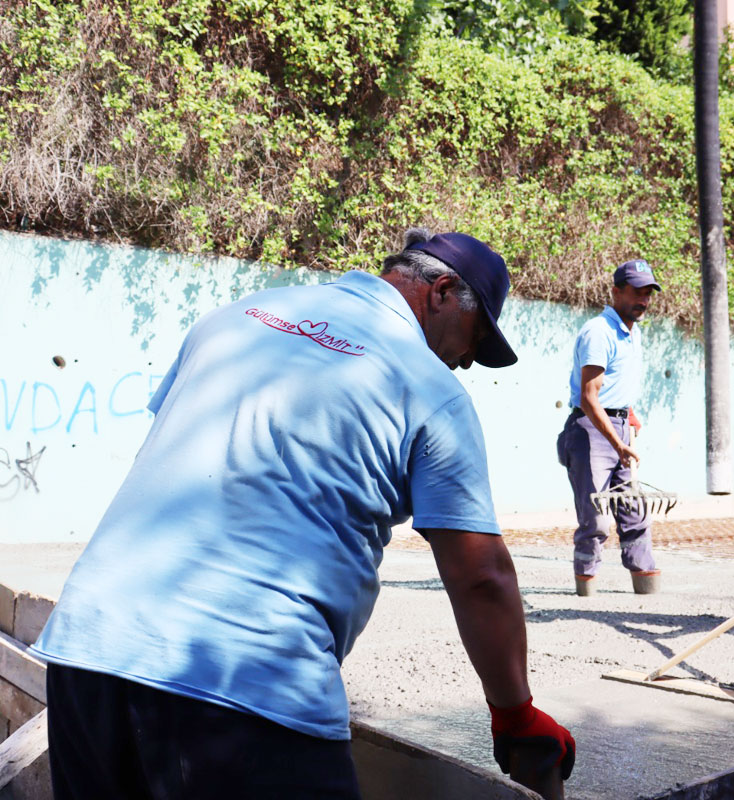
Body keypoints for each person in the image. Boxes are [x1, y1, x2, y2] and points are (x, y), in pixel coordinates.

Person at [32, 229, 575, 799]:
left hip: (88, 655)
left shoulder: (240, 314)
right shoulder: (430, 389)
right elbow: (480, 575)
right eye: (474, 339)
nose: (466, 362)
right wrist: (515, 714)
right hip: (243, 683)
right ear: (440, 291)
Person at [556, 259, 662, 597]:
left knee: (633, 508)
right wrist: (617, 442)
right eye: (636, 292)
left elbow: (618, 387)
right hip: (590, 430)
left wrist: (628, 416)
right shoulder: (598, 332)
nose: (643, 300)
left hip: (618, 426)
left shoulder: (633, 332)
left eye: (648, 293)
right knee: (597, 517)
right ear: (616, 291)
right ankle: (586, 588)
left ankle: (644, 580)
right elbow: (589, 397)